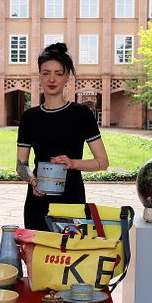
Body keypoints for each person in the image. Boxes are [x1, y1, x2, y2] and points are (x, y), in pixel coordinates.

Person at [16, 43, 109, 231]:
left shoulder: (82, 114)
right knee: (37, 259)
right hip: (37, 202)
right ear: (39, 76)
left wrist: (72, 163)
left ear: (67, 77)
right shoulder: (29, 117)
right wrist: (32, 180)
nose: (52, 79)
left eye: (58, 73)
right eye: (46, 73)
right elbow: (21, 165)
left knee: (69, 259)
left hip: (71, 201)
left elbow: (103, 162)